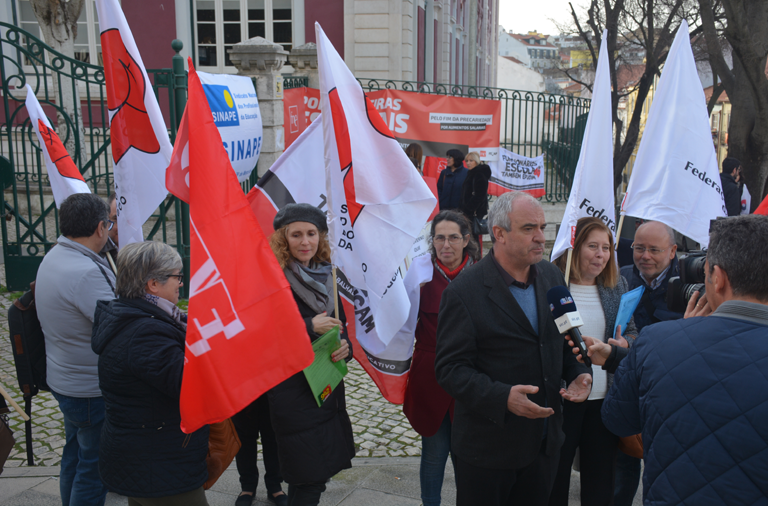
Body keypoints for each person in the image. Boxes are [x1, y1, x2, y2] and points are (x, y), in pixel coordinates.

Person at [435, 191, 593, 506]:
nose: (541, 237)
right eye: (528, 228)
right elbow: (450, 370)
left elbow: (567, 338)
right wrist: (502, 397)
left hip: (545, 444)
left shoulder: (551, 276)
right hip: (488, 451)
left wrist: (580, 371)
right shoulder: (463, 293)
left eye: (542, 227)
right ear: (499, 234)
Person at [602, 215, 768, 505]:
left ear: (718, 278)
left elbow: (617, 418)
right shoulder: (627, 284)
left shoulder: (656, 341)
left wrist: (684, 332)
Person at [91, 241, 209, 506]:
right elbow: (190, 385)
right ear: (153, 284)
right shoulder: (146, 332)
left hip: (144, 456)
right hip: (158, 462)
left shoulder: (135, 316)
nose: (181, 282)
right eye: (177, 276)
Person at [268, 203, 355, 506]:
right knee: (309, 478)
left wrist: (346, 349)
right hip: (293, 392)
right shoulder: (272, 280)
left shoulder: (328, 275)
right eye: (296, 235)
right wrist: (307, 325)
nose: (305, 242)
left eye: (312, 233)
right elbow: (262, 338)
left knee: (310, 478)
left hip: (327, 389)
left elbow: (340, 332)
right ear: (283, 238)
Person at [548, 217, 638, 506]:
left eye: (606, 247)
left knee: (600, 483)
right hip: (562, 398)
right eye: (592, 246)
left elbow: (633, 333)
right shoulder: (554, 287)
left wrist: (625, 344)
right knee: (554, 478)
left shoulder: (617, 285)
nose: (601, 254)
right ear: (574, 248)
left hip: (604, 399)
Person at [35, 193, 115, 506]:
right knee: (95, 468)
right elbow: (114, 324)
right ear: (99, 228)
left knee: (74, 455)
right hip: (89, 388)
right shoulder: (84, 272)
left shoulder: (55, 257)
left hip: (66, 378)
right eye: (109, 224)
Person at [403, 210, 480, 506]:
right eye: (439, 238)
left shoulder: (482, 274)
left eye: (453, 238)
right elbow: (401, 323)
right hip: (430, 375)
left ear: (465, 240)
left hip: (471, 378)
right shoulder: (419, 274)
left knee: (468, 456)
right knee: (434, 454)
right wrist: (411, 294)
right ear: (431, 241)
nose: (446, 245)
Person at [615, 220, 683, 505]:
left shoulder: (688, 287)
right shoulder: (619, 279)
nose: (645, 256)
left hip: (671, 391)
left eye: (654, 250)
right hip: (626, 387)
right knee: (620, 476)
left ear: (672, 251)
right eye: (639, 248)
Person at [231, 395, 287, 506]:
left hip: (272, 384)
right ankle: (247, 486)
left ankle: (275, 486)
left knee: (273, 433)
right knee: (244, 435)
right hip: (242, 385)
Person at [459, 151, 491, 252]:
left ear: (476, 162)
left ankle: (476, 259)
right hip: (469, 212)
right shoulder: (472, 173)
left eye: (471, 161)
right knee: (470, 237)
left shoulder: (479, 174)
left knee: (473, 238)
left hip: (474, 213)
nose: (468, 163)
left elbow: (479, 196)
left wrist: (468, 208)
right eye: (467, 161)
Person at [100, 193, 119, 270]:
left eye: (129, 220)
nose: (121, 227)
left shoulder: (147, 254)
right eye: (115, 219)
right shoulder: (97, 253)